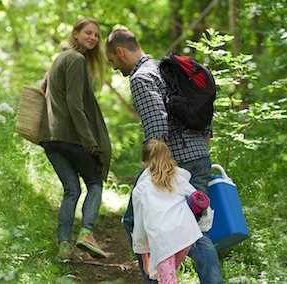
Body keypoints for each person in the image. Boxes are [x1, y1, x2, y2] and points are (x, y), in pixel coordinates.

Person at [105, 29, 223, 283]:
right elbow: (203, 116)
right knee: (193, 227)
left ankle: (155, 279)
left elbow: (157, 126)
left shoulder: (141, 77)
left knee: (134, 221)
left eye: (112, 61)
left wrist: (154, 166)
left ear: (120, 51)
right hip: (200, 156)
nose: (114, 67)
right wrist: (201, 150)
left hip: (172, 162)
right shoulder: (166, 70)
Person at [40, 17, 112, 263]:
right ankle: (87, 233)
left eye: (96, 35)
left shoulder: (58, 59)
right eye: (88, 33)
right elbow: (74, 103)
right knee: (94, 183)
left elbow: (43, 88)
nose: (92, 38)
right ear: (76, 33)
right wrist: (89, 139)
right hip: (70, 137)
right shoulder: (76, 59)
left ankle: (63, 249)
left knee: (71, 190)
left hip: (50, 138)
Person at [133, 139, 207, 283]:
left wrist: (144, 258)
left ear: (144, 162)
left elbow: (140, 227)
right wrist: (203, 225)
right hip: (186, 234)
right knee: (168, 277)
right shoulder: (179, 180)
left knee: (168, 279)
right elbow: (200, 200)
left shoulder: (141, 189)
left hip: (163, 239)